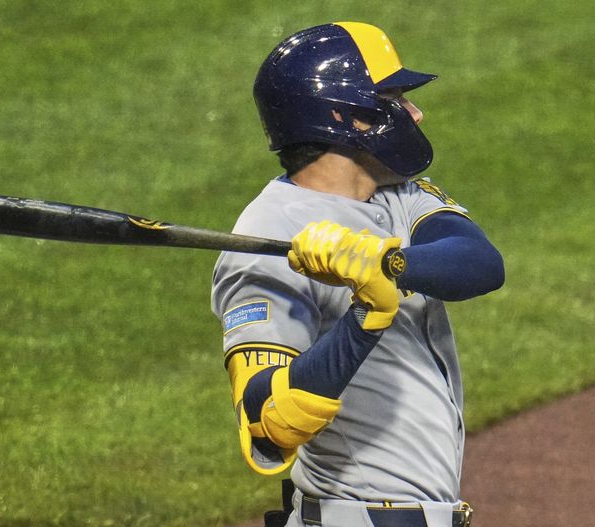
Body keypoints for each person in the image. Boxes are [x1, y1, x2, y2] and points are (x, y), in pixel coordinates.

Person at [211, 22, 504, 527]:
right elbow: (268, 421)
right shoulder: (267, 233)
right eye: (394, 97)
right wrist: (364, 318)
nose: (415, 113)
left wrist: (386, 263)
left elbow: (480, 264)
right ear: (349, 116)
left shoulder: (399, 195)